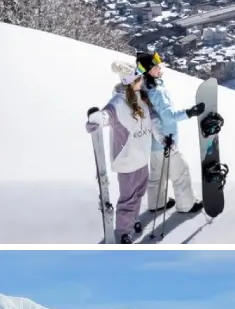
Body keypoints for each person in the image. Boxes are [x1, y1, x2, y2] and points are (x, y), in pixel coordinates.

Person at [86, 62, 172, 247]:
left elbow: (153, 123)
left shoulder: (142, 99)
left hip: (141, 157)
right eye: (139, 78)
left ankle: (132, 221)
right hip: (127, 159)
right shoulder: (118, 102)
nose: (142, 81)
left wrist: (164, 139)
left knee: (139, 193)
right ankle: (123, 232)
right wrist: (96, 120)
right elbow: (106, 115)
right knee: (128, 198)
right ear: (131, 81)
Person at [135, 51, 205, 216]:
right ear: (148, 71)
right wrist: (190, 112)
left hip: (154, 143)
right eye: (156, 66)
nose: (160, 68)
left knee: (157, 174)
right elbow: (169, 117)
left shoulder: (143, 87)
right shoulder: (157, 92)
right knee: (181, 172)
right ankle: (186, 205)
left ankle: (156, 203)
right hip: (167, 139)